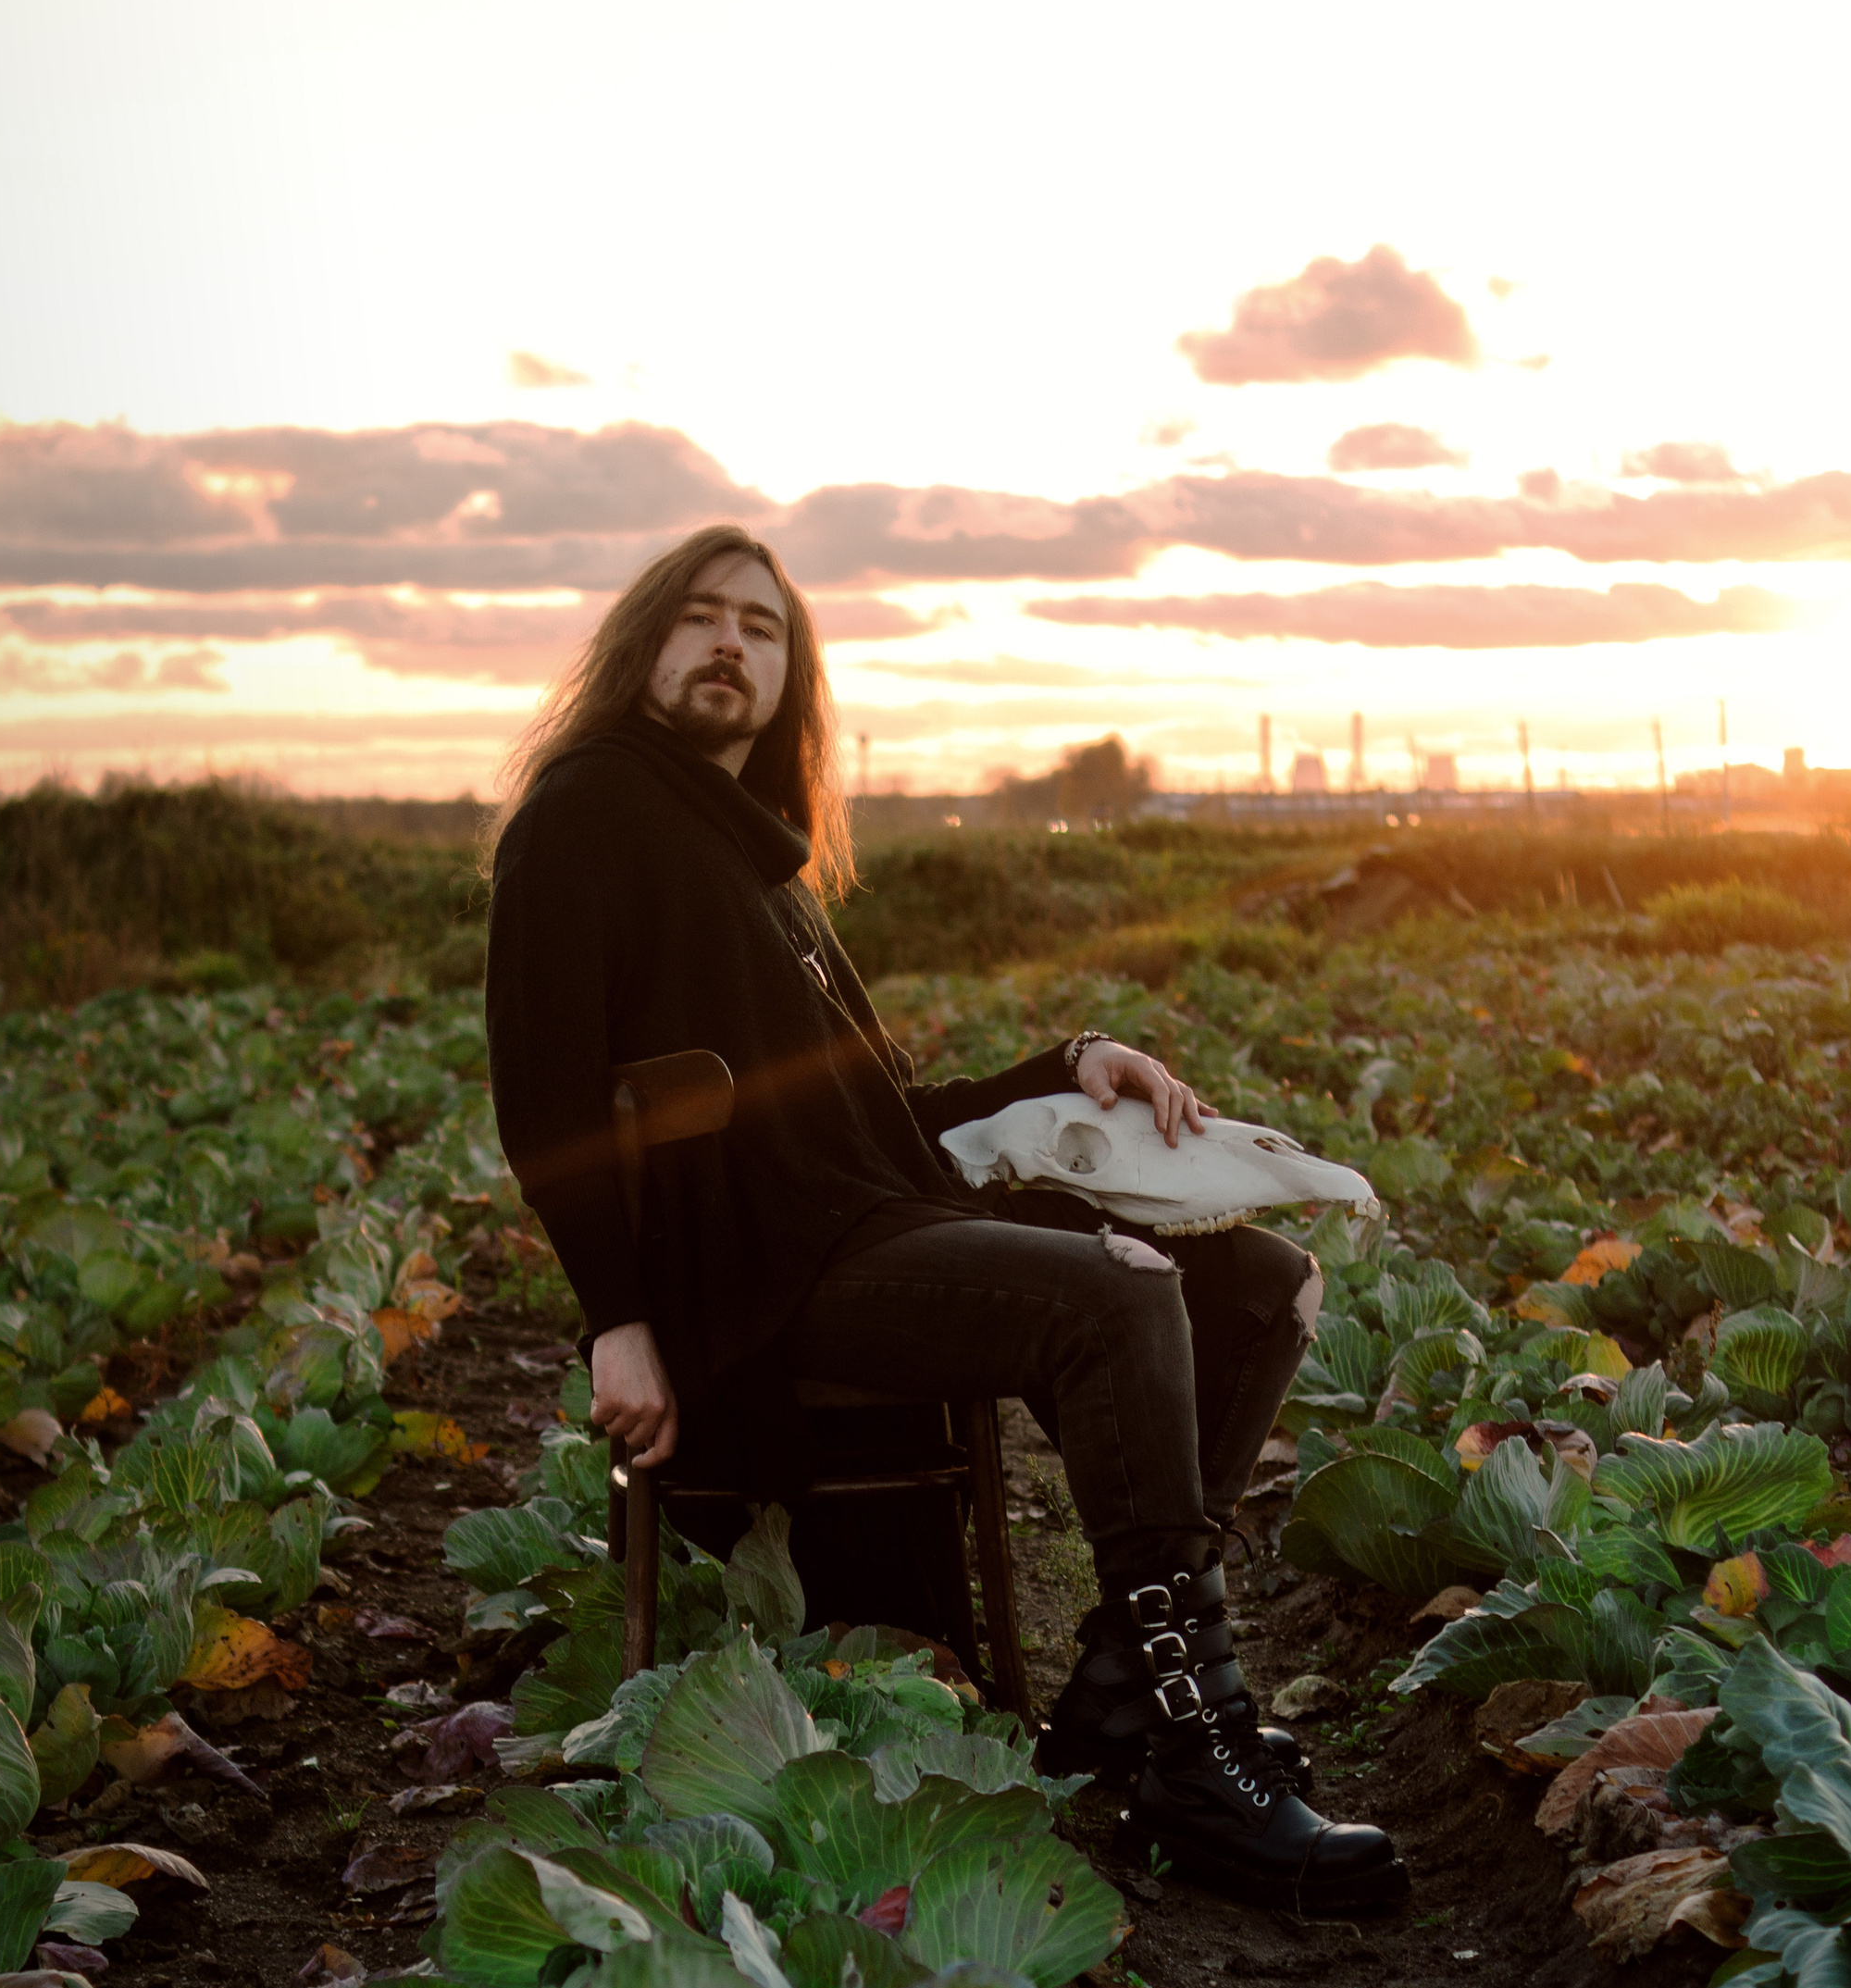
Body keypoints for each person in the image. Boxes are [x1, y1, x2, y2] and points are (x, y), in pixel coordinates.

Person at [482, 522, 1404, 1916]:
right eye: (700, 617)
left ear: (794, 677)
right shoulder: (589, 811)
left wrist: (1065, 1068)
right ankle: (1199, 1748)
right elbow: (544, 1096)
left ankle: (1116, 1705)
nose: (731, 643)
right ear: (643, 647)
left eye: (763, 627)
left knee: (1258, 1282)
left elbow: (875, 1119)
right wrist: (619, 1321)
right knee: (1118, 1291)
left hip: (860, 1220)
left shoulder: (763, 862)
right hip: (758, 1275)